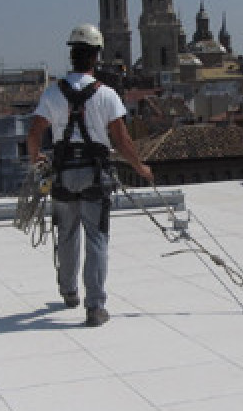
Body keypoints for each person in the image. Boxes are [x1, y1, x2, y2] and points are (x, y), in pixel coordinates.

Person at [27, 23, 153, 327]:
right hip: (95, 175)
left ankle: (69, 291)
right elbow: (121, 141)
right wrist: (141, 168)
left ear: (72, 55)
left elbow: (34, 133)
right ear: (96, 56)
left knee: (67, 234)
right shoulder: (107, 95)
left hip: (64, 174)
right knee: (96, 238)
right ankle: (94, 307)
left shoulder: (52, 94)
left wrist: (36, 158)